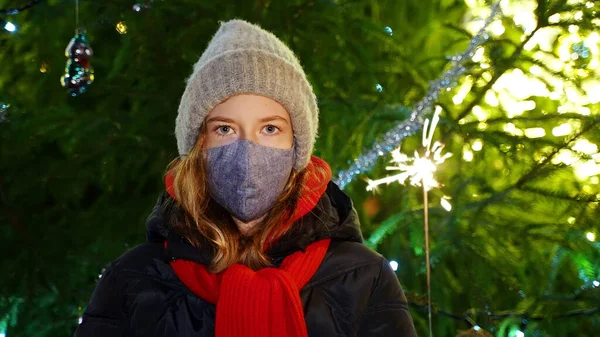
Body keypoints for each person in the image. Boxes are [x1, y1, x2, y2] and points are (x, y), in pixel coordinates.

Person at [74, 19, 417, 337]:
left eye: (270, 128)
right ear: (198, 146)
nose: (247, 151)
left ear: (297, 147)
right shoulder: (133, 279)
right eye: (224, 128)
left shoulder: (362, 277)